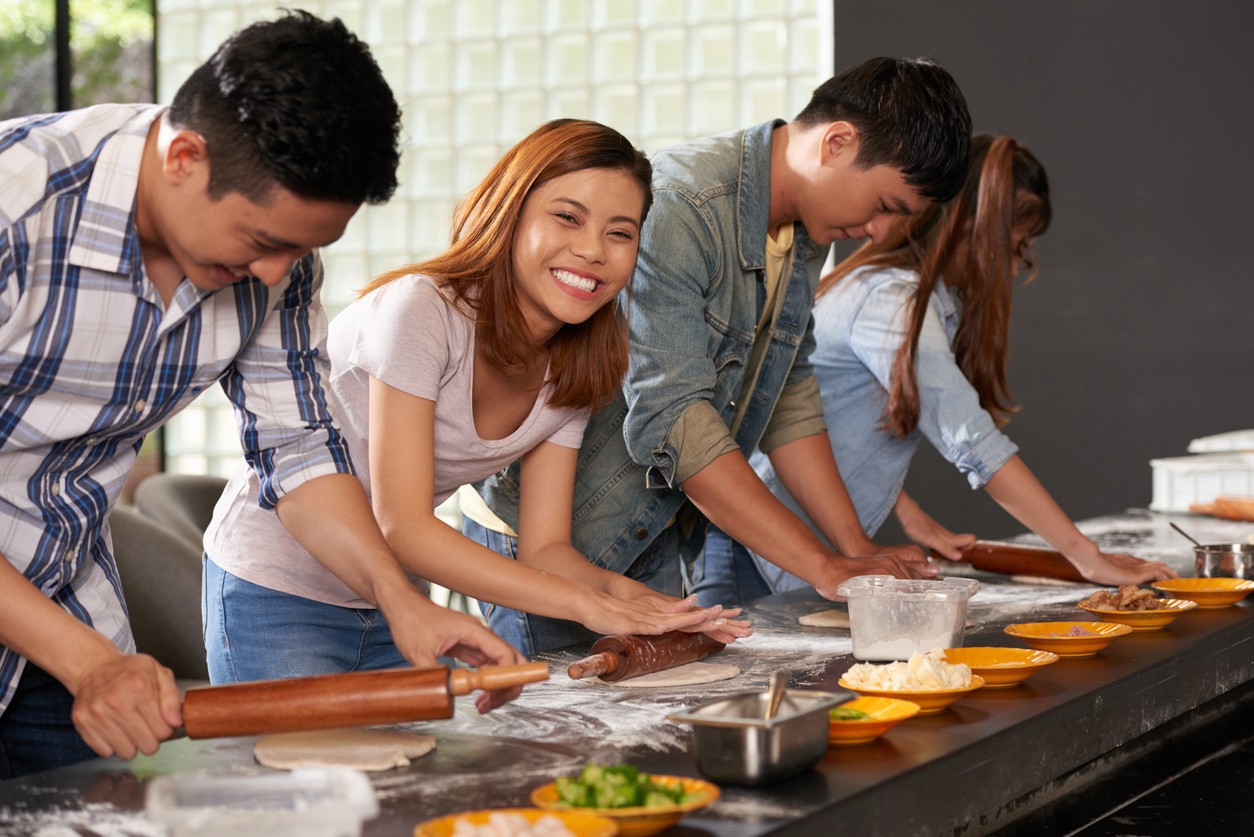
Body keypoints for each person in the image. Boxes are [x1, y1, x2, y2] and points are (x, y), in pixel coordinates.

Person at [0, 11, 520, 780]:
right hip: (65, 644)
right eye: (263, 243)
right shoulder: (18, 207)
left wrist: (398, 597)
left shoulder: (275, 267)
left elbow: (300, 451)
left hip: (58, 598)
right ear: (185, 156)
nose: (280, 276)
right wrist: (87, 661)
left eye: (304, 250)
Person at [202, 118, 748, 680]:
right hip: (276, 591)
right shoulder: (421, 311)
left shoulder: (578, 360)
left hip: (399, 602)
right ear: (509, 214)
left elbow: (546, 550)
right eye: (567, 217)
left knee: (403, 770)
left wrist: (649, 607)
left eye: (620, 232)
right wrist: (588, 606)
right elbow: (405, 527)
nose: (592, 250)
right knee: (299, 771)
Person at [468, 56, 974, 647]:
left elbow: (787, 393)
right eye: (886, 205)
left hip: (648, 529)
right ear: (837, 143)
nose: (878, 232)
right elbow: (674, 418)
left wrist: (853, 547)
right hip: (551, 539)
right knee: (565, 731)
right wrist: (824, 565)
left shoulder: (803, 233)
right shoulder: (684, 205)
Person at [702, 134, 1177, 596]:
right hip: (754, 554)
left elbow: (832, 425)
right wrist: (1087, 557)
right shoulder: (891, 300)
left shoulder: (915, 296)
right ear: (973, 229)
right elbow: (973, 442)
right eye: (1015, 247)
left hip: (785, 549)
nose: (1013, 269)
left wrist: (907, 512)